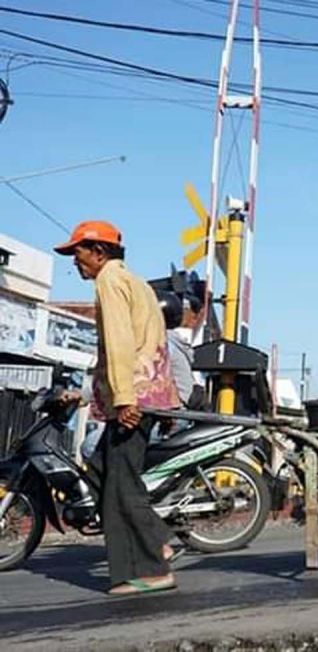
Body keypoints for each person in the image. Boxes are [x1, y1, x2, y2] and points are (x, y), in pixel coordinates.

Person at [54, 220, 182, 596]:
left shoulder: (110, 281)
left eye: (78, 254)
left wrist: (125, 399)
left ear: (99, 251)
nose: (75, 262)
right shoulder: (135, 283)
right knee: (100, 468)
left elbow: (120, 343)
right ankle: (157, 538)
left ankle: (153, 569)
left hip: (134, 397)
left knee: (123, 486)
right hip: (146, 393)